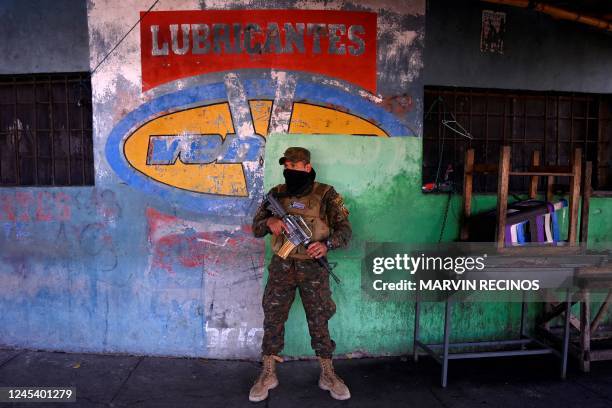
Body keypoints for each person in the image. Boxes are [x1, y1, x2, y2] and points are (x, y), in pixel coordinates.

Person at [249, 147, 352, 402]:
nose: (291, 170)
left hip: (313, 268)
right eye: (287, 166)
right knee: (273, 318)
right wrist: (270, 223)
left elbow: (345, 230)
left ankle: (328, 373)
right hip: (282, 266)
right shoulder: (276, 194)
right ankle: (268, 373)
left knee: (319, 318)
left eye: (296, 166)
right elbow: (256, 227)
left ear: (307, 167)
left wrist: (326, 245)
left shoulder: (326, 194)